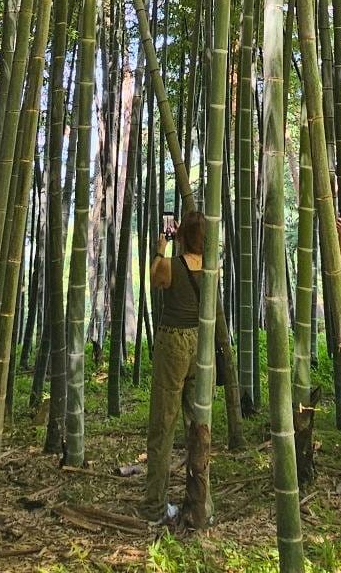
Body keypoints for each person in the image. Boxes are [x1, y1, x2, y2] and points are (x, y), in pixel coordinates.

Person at [142, 212, 205, 523]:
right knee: (198, 425)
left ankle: (155, 506)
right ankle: (200, 503)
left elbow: (155, 279)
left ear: (181, 236)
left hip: (173, 343)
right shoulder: (211, 267)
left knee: (163, 425)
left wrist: (160, 248)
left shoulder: (171, 265)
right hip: (200, 345)